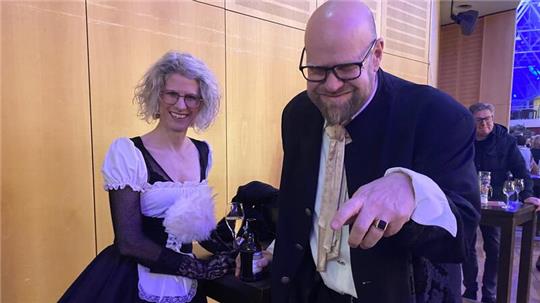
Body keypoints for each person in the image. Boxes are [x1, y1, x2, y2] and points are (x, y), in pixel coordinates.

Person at [270, 1, 480, 303]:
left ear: (376, 55)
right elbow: (296, 206)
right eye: (316, 69)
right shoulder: (298, 113)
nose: (330, 84)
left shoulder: (437, 115)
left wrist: (413, 189)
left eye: (346, 67)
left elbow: (463, 236)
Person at [59, 51, 236, 303]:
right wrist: (201, 270)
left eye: (191, 97)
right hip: (132, 282)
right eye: (172, 94)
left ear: (201, 103)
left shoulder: (203, 152)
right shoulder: (128, 154)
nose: (181, 105)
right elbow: (129, 241)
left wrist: (231, 251)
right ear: (157, 96)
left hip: (187, 287)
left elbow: (194, 225)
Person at [462, 102, 540, 303]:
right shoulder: (463, 138)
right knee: (466, 247)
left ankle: (489, 293)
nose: (484, 123)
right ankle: (469, 290)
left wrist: (527, 195)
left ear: (493, 118)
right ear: (472, 121)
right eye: (479, 120)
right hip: (468, 200)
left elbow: (521, 171)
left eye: (488, 118)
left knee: (494, 248)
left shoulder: (505, 141)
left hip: (495, 203)